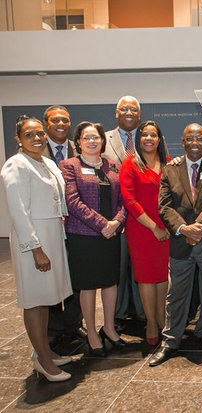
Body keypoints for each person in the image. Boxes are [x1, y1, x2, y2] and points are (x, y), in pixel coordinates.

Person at [149, 123, 202, 367]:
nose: (194, 142)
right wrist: (184, 229)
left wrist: (199, 228)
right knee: (176, 295)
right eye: (189, 138)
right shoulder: (169, 169)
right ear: (182, 142)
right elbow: (163, 205)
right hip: (181, 241)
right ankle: (170, 340)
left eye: (199, 138)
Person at [1, 115, 73, 382]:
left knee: (46, 298)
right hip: (33, 239)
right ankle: (43, 359)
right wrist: (35, 249)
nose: (38, 138)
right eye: (30, 134)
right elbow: (18, 211)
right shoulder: (16, 165)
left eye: (40, 133)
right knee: (34, 300)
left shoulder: (47, 162)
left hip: (52, 233)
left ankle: (44, 350)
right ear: (18, 139)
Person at [61, 121, 127, 357]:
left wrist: (117, 222)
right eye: (87, 137)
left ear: (102, 140)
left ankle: (109, 328)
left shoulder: (112, 166)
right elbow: (73, 202)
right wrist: (103, 225)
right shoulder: (70, 166)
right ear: (78, 141)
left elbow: (122, 200)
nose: (92, 141)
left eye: (96, 137)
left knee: (110, 282)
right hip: (84, 236)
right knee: (88, 286)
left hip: (110, 235)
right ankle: (91, 333)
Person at [120, 121, 171, 346]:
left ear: (159, 139)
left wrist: (169, 226)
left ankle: (161, 318)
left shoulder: (169, 164)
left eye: (153, 134)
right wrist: (154, 227)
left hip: (166, 229)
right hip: (142, 229)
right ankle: (151, 322)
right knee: (146, 278)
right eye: (144, 135)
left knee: (162, 276)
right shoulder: (130, 164)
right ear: (139, 139)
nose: (149, 138)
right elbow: (129, 200)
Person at [41, 105, 86, 346]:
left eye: (65, 120)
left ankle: (74, 323)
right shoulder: (35, 149)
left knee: (75, 275)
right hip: (48, 224)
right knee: (51, 276)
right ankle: (53, 326)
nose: (61, 124)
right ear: (46, 124)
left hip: (76, 225)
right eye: (55, 120)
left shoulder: (76, 148)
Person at [103, 95, 144, 328]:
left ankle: (142, 310)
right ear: (116, 113)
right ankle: (117, 314)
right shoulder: (104, 139)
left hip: (143, 213)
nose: (129, 113)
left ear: (139, 115)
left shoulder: (149, 136)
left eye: (133, 109)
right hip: (115, 212)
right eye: (124, 109)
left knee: (139, 265)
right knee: (117, 267)